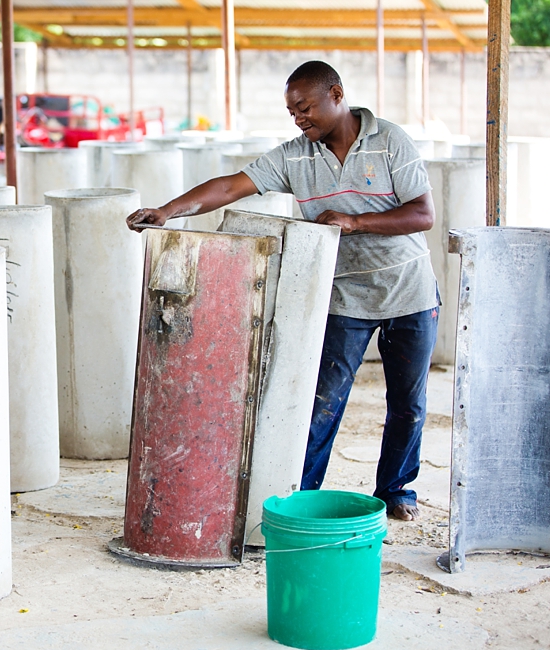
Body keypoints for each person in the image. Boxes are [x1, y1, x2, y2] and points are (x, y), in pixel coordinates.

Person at [126, 60, 438, 521]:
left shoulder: (390, 141)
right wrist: (169, 210)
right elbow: (232, 186)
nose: (298, 119)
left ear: (336, 93)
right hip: (344, 297)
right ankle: (301, 495)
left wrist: (354, 222)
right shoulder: (295, 156)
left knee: (407, 404)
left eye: (305, 107)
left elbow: (423, 214)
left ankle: (396, 491)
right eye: (292, 112)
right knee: (322, 403)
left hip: (409, 292)